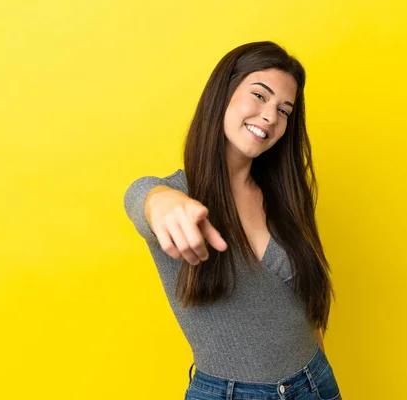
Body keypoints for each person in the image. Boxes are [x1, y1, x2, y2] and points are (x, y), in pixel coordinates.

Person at [124, 41, 342, 399]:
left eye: (284, 110)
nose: (271, 116)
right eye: (260, 95)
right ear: (223, 93)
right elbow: (140, 196)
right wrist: (160, 202)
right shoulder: (177, 196)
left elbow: (306, 305)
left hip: (314, 381)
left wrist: (320, 372)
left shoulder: (284, 195)